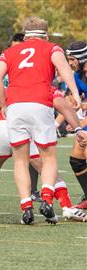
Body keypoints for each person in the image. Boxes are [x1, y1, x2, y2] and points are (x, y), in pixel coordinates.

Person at [0, 16, 85, 224]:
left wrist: (5, 104)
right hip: (40, 102)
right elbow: (64, 70)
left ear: (25, 35)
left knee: (20, 160)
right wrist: (75, 94)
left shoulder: (9, 52)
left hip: (15, 106)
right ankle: (47, 201)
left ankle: (26, 208)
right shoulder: (52, 48)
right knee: (48, 157)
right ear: (46, 34)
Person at [0, 92, 86, 222]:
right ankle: (67, 207)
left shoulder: (12, 87)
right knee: (47, 167)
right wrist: (78, 128)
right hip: (27, 129)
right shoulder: (44, 85)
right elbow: (64, 107)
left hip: (2, 127)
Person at [65, 41, 87, 209]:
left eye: (72, 59)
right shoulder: (76, 76)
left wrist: (80, 123)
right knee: (76, 160)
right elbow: (68, 100)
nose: (70, 63)